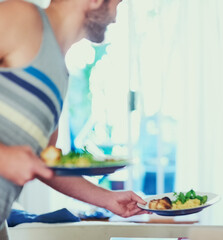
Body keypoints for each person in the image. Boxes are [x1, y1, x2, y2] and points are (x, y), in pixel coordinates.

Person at [0, 0, 148, 238]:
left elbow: (46, 159)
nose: (115, 18)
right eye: (117, 5)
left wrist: (106, 198)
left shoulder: (60, 74)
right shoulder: (21, 17)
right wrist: (5, 157)